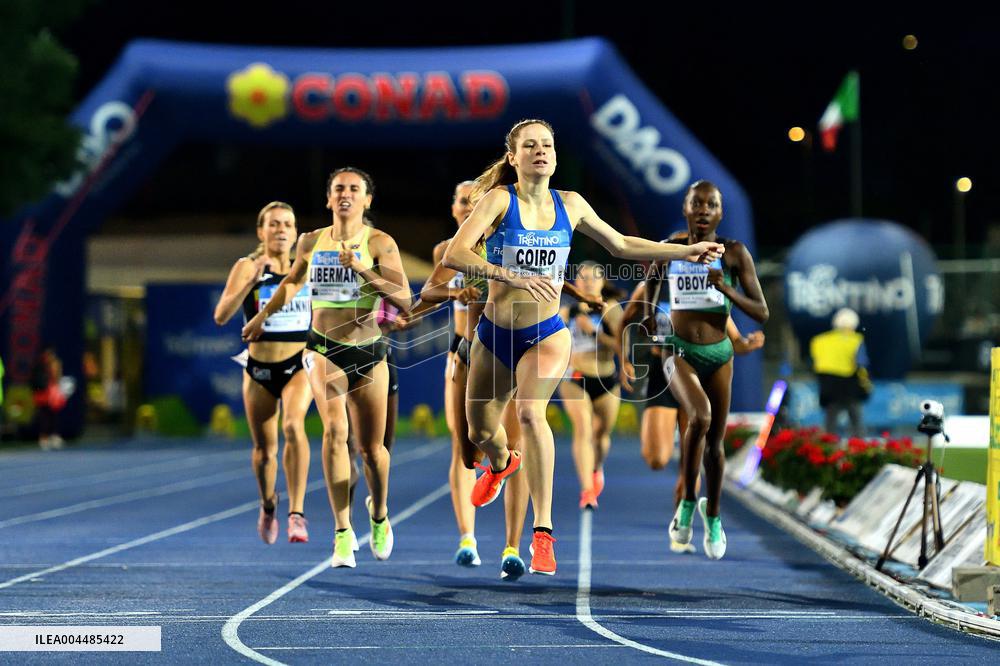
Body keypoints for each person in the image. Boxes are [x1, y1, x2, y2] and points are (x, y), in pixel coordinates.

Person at [442, 119, 724, 576]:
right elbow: (455, 254)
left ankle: (543, 533)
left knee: (533, 414)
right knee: (478, 435)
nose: (540, 151)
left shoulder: (569, 204)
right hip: (494, 333)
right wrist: (509, 275)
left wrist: (683, 252)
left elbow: (621, 243)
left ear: (554, 155)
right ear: (513, 157)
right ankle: (500, 465)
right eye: (529, 145)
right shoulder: (499, 200)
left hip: (547, 335)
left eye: (547, 144)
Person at [243, 168, 412, 569]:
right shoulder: (311, 241)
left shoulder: (380, 242)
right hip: (323, 348)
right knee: (335, 432)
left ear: (367, 200)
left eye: (354, 189)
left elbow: (404, 297)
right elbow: (290, 283)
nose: (346, 195)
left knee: (372, 452)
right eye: (339, 189)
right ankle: (340, 532)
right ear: (328, 199)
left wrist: (361, 269)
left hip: (369, 350)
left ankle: (380, 515)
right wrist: (262, 316)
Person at [640, 181, 767, 561]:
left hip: (720, 353)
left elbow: (761, 311)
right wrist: (649, 318)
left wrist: (725, 289)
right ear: (686, 207)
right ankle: (686, 503)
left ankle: (712, 516)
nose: (704, 210)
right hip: (679, 350)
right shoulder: (674, 246)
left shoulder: (733, 254)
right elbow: (652, 280)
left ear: (720, 213)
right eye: (697, 203)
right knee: (700, 416)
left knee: (715, 444)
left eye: (711, 204)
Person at [414, 180, 532, 580]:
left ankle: (512, 547)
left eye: (476, 201)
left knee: (515, 448)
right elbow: (429, 290)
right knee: (465, 452)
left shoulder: (507, 243)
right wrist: (453, 296)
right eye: (463, 200)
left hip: (506, 350)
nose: (469, 207)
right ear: (454, 208)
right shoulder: (446, 250)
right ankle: (468, 538)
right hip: (464, 350)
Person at [618, 273, 764, 552]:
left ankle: (681, 526)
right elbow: (626, 321)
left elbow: (733, 338)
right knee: (657, 458)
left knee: (692, 456)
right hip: (663, 377)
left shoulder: (701, 292)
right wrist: (623, 358)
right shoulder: (648, 289)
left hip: (691, 372)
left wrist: (749, 344)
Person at [214, 202, 314, 544]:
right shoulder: (247, 265)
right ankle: (269, 503)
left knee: (293, 424)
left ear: (296, 230)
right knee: (264, 450)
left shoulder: (307, 267)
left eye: (288, 223)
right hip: (258, 367)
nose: (281, 230)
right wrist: (250, 282)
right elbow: (222, 315)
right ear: (261, 231)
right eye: (273, 224)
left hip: (299, 362)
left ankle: (297, 513)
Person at [558, 261, 623, 509]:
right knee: (583, 429)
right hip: (574, 377)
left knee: (601, 434)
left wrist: (594, 331)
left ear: (602, 281)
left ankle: (596, 468)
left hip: (606, 379)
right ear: (575, 282)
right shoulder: (567, 310)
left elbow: (621, 346)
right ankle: (587, 491)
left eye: (593, 278)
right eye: (582, 277)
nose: (587, 282)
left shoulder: (612, 309)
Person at [810, 307, 870, 437]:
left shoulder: (819, 340)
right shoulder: (856, 339)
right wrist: (865, 386)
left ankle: (827, 450)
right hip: (850, 384)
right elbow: (861, 365)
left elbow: (815, 362)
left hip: (828, 384)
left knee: (830, 421)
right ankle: (859, 449)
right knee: (856, 420)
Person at [32, 348, 67, 450]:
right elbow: (37, 381)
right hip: (43, 395)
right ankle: (44, 438)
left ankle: (53, 437)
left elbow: (57, 376)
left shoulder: (54, 364)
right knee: (44, 417)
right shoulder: (40, 366)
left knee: (53, 416)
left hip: (51, 394)